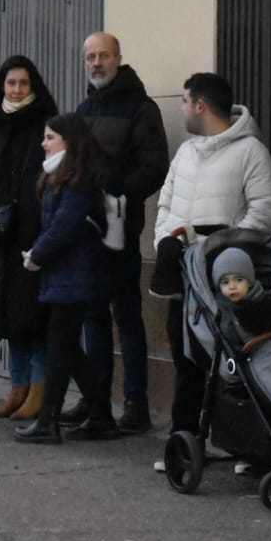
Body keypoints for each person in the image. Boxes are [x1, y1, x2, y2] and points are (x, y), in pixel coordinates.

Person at [152, 72, 271, 449]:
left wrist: (224, 250)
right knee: (184, 357)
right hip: (184, 275)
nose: (182, 108)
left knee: (232, 360)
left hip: (227, 280)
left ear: (200, 105)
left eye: (185, 101)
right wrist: (166, 241)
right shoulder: (186, 153)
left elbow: (265, 210)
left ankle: (241, 441)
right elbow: (166, 203)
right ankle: (184, 439)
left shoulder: (250, 151)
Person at [74, 32, 170, 434]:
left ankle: (136, 404)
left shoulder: (141, 109)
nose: (97, 63)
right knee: (92, 316)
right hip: (85, 230)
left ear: (118, 58)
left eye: (103, 56)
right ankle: (96, 401)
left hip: (121, 231)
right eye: (90, 57)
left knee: (126, 317)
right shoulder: (83, 108)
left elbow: (153, 168)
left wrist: (116, 195)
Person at [15, 114, 117, 443]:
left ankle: (49, 420)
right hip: (67, 275)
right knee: (67, 348)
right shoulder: (62, 175)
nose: (43, 143)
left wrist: (36, 256)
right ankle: (100, 414)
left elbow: (63, 227)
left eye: (49, 138)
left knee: (61, 348)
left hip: (75, 276)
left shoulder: (78, 179)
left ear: (68, 141)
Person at [0, 56, 58, 420]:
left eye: (23, 83)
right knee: (7, 318)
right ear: (2, 86)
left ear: (33, 85)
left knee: (33, 317)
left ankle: (38, 390)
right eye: (11, 83)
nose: (17, 89)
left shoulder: (45, 122)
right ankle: (16, 388)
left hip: (31, 233)